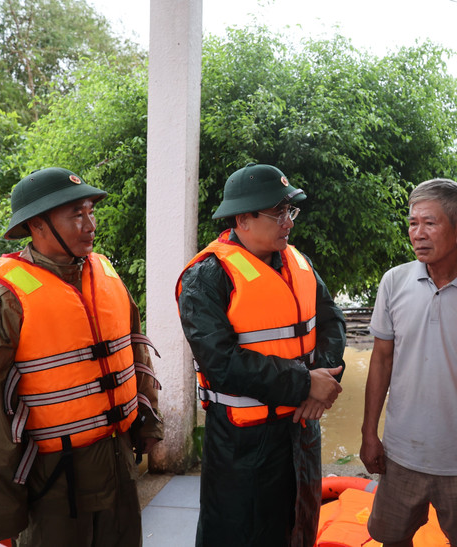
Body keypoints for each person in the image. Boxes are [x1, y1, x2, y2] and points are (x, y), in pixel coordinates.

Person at [0, 167, 163, 545]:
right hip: (52, 481)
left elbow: (134, 352)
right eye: (76, 215)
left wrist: (147, 421)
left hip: (119, 461)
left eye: (91, 211)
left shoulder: (106, 276)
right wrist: (2, 509)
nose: (90, 225)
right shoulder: (0, 303)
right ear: (37, 224)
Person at [176, 162, 346, 547]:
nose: (288, 222)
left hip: (302, 432)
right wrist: (305, 384)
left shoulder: (298, 263)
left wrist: (322, 381)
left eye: (290, 211)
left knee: (299, 528)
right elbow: (221, 363)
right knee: (241, 533)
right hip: (244, 444)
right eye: (277, 212)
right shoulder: (206, 277)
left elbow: (332, 320)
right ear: (243, 219)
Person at [361, 178, 457, 547]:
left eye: (430, 223)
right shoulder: (394, 282)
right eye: (413, 223)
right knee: (393, 539)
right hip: (401, 454)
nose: (418, 234)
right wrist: (369, 433)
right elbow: (381, 360)